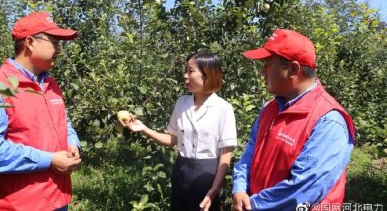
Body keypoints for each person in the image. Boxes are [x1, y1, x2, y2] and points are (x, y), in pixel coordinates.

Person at [232, 29, 356, 211]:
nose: (262, 71)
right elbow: (250, 152)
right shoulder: (270, 109)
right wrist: (240, 188)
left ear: (293, 69)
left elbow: (304, 189)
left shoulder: (328, 122)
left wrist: (252, 205)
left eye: (267, 65)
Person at [0, 12, 82, 211]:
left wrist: (73, 144)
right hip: (18, 205)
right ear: (30, 42)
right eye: (54, 42)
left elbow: (64, 124)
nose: (58, 49)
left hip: (58, 199)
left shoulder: (51, 84)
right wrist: (49, 160)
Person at [119, 52, 237, 211]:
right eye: (186, 70)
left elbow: (226, 154)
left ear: (207, 74)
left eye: (190, 71)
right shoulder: (182, 103)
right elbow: (171, 140)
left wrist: (214, 189)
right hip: (182, 170)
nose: (185, 76)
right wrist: (144, 129)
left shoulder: (223, 108)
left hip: (207, 175)